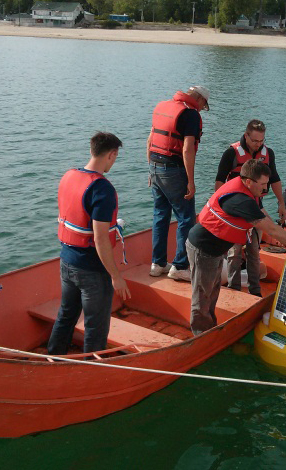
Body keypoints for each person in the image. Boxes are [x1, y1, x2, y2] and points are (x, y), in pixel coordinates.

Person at [186, 159, 286, 336]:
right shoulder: (240, 200)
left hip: (215, 250)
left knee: (213, 291)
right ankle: (200, 335)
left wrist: (282, 236)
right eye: (263, 184)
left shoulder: (249, 190)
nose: (266, 189)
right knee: (203, 296)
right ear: (249, 181)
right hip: (203, 250)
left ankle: (209, 327)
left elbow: (263, 216)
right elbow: (269, 229)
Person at [48, 132, 131, 355]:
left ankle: (53, 357)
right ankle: (94, 369)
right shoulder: (102, 188)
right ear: (112, 155)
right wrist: (116, 276)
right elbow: (100, 238)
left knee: (66, 314)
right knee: (95, 325)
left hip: (66, 261)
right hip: (92, 269)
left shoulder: (68, 176)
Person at [215, 119, 286, 297]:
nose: (258, 144)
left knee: (254, 251)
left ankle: (255, 291)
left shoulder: (267, 153)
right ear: (246, 136)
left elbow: (275, 178)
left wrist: (281, 202)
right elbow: (219, 181)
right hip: (235, 210)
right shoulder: (231, 153)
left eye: (261, 141)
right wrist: (223, 207)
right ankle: (234, 289)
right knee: (234, 252)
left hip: (256, 208)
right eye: (255, 141)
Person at [147, 85, 210, 282]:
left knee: (160, 215)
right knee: (186, 218)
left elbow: (150, 140)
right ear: (199, 100)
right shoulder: (190, 114)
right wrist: (191, 181)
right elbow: (187, 149)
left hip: (155, 166)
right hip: (174, 170)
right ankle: (180, 266)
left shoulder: (162, 106)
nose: (201, 110)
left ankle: (157, 264)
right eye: (203, 106)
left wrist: (151, 170)